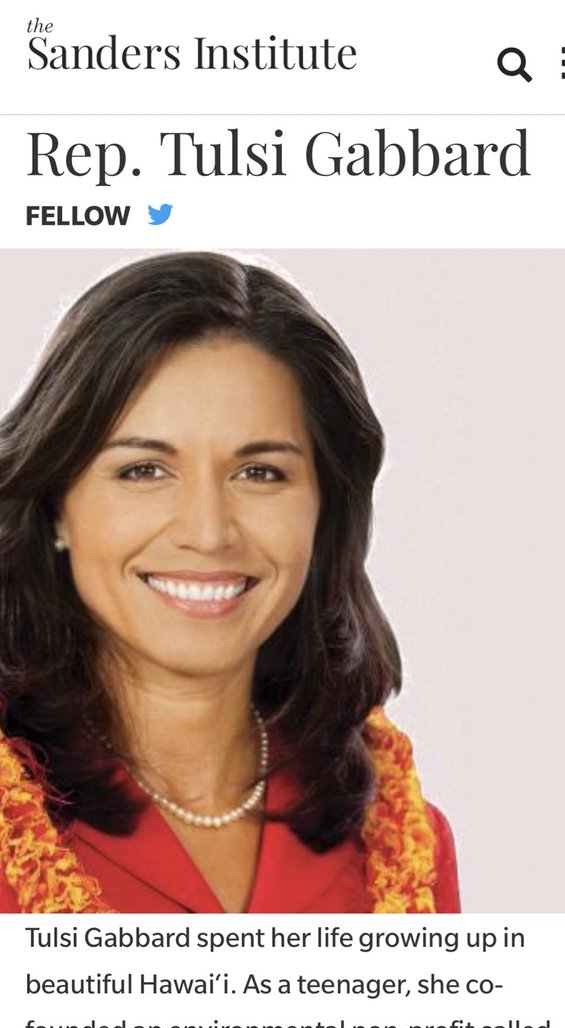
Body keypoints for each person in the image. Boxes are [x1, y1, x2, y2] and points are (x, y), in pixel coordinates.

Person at [0, 252, 459, 915]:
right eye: (144, 471)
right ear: (56, 506)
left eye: (260, 473)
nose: (209, 532)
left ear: (324, 511)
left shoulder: (405, 843)